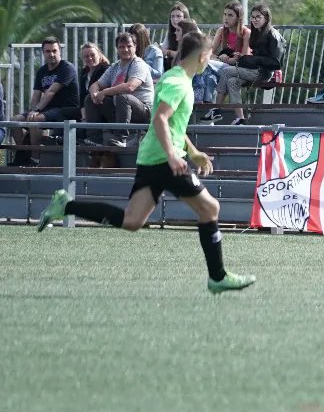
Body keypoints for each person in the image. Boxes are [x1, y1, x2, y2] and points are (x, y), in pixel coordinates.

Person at [35, 31, 255, 294]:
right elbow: (161, 120)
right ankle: (217, 276)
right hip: (164, 158)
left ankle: (66, 205)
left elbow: (171, 124)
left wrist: (193, 151)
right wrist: (174, 155)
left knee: (132, 220)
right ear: (203, 56)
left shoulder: (174, 78)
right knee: (210, 208)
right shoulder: (179, 83)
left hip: (152, 157)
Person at [10, 37, 80, 166]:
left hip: (67, 110)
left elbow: (51, 91)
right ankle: (23, 154)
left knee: (35, 120)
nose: (51, 54)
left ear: (60, 51)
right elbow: (37, 94)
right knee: (15, 121)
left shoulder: (67, 68)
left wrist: (36, 111)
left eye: (54, 50)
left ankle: (35, 159)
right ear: (43, 53)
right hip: (48, 110)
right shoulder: (42, 70)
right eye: (48, 51)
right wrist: (31, 110)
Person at [212, 3, 284, 125]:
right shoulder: (257, 32)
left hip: (262, 73)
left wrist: (252, 59)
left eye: (258, 17)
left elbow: (276, 63)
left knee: (225, 71)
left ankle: (215, 110)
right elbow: (256, 56)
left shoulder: (273, 35)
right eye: (252, 17)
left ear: (266, 18)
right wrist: (243, 58)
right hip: (252, 70)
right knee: (231, 81)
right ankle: (240, 119)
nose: (254, 20)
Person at [83, 32, 155, 147]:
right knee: (89, 99)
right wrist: (95, 95)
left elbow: (130, 87)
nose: (125, 49)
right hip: (120, 110)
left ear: (135, 47)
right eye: (121, 47)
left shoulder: (139, 64)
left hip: (143, 111)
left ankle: (121, 138)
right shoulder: (115, 66)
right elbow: (95, 85)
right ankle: (94, 139)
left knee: (123, 97)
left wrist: (105, 92)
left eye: (129, 46)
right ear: (117, 49)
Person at [198, 0, 251, 104]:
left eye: (230, 15)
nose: (226, 18)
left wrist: (228, 60)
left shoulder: (246, 33)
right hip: (223, 66)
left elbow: (245, 59)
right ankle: (208, 106)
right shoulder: (221, 31)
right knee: (210, 77)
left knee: (205, 62)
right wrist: (220, 58)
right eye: (225, 14)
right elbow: (210, 52)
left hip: (239, 70)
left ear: (238, 18)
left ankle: (198, 96)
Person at [77, 42, 110, 110]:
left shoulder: (105, 69)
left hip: (101, 106)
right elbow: (82, 97)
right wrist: (84, 115)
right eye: (86, 56)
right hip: (86, 109)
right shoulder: (84, 73)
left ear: (99, 55)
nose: (90, 58)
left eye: (93, 55)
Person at [161, 2, 191, 71]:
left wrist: (168, 52)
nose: (175, 19)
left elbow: (186, 55)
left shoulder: (193, 31)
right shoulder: (171, 32)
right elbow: (162, 50)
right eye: (172, 16)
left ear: (185, 17)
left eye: (178, 16)